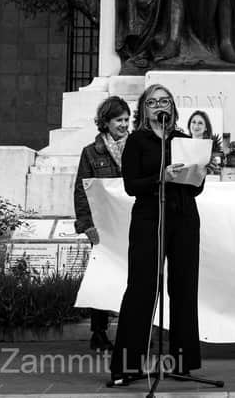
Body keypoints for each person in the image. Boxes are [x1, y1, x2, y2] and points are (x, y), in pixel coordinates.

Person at [107, 84, 204, 387]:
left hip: (184, 216)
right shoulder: (137, 141)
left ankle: (182, 362)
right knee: (142, 287)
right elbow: (131, 185)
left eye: (165, 101)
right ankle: (127, 366)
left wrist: (198, 175)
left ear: (172, 107)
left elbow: (195, 189)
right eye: (153, 102)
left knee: (184, 287)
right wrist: (162, 177)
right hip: (150, 218)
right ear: (144, 109)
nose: (159, 106)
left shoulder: (183, 139)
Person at [73, 96, 131, 352]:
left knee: (134, 279)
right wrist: (86, 225)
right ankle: (98, 332)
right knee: (103, 278)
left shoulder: (137, 148)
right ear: (106, 122)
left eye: (127, 119)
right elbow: (81, 191)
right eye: (119, 120)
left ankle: (133, 332)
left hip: (131, 223)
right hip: (103, 227)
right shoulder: (90, 152)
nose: (124, 124)